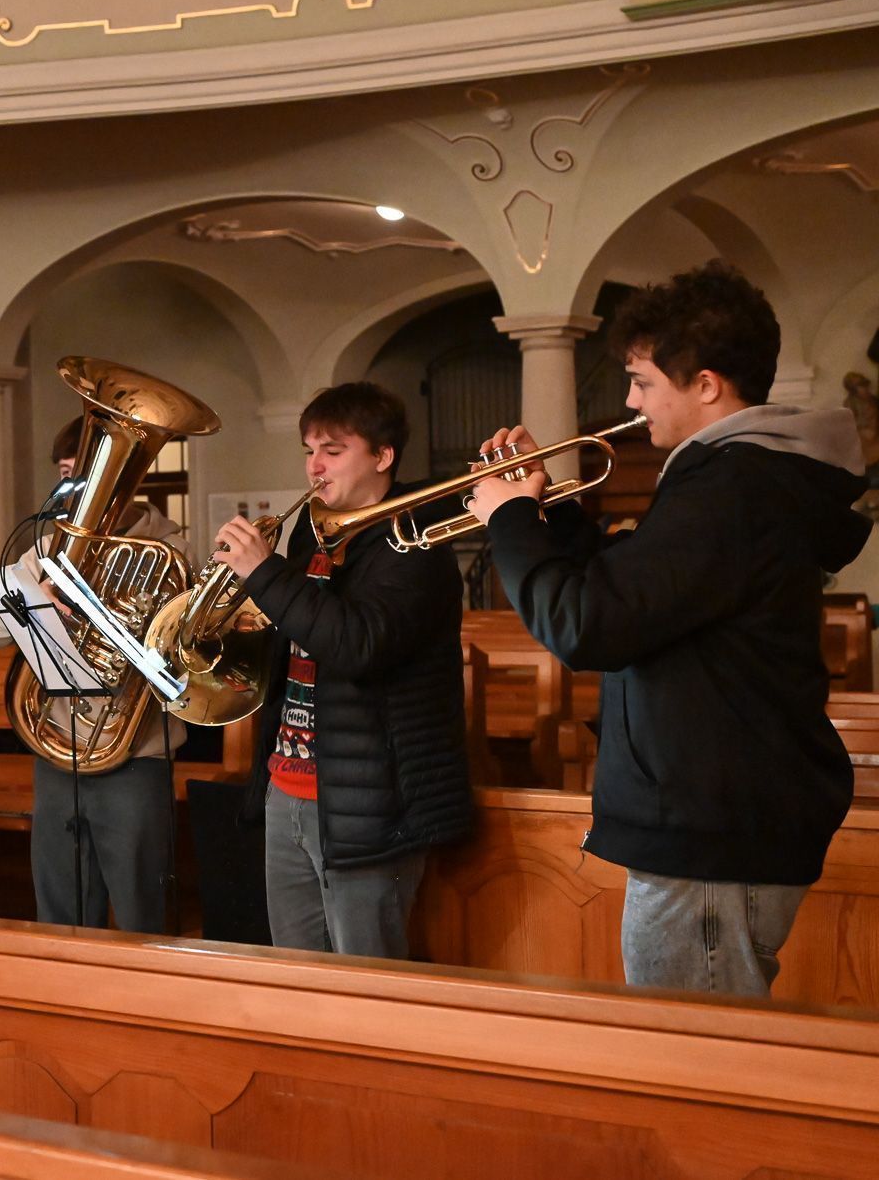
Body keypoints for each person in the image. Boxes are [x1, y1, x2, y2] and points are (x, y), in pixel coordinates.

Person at [469, 262, 871, 997]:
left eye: (643, 381)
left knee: (694, 1064)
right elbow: (632, 592)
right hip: (712, 821)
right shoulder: (733, 480)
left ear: (708, 384)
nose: (628, 400)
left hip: (710, 835)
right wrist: (548, 510)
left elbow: (582, 625)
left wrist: (509, 521)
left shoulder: (732, 489)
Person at [212, 382, 470, 960]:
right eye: (308, 450)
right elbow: (300, 638)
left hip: (371, 800)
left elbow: (357, 644)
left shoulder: (417, 543)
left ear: (382, 457)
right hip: (289, 783)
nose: (314, 466)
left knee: (369, 986)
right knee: (297, 976)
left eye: (332, 449)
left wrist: (266, 576)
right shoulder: (314, 532)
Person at [0, 416, 180, 933]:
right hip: (57, 750)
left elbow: (179, 660)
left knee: (139, 918)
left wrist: (99, 614)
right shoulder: (46, 550)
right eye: (68, 475)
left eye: (91, 476)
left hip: (135, 757)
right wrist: (33, 596)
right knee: (58, 918)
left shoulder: (173, 549)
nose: (76, 492)